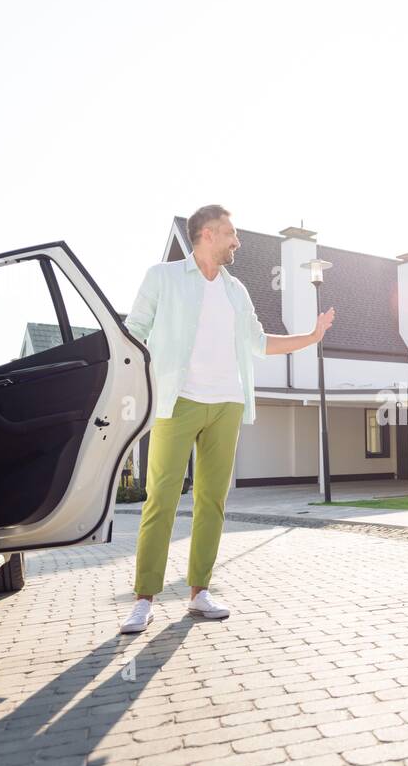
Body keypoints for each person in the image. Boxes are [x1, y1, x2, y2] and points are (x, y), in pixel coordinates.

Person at [119, 204, 335, 634]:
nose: (237, 242)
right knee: (160, 499)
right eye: (230, 233)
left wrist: (310, 337)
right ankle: (144, 599)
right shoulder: (162, 278)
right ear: (207, 234)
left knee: (212, 501)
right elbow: (134, 331)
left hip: (228, 403)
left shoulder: (237, 290)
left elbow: (258, 342)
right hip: (176, 401)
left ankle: (199, 592)